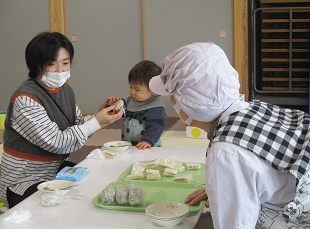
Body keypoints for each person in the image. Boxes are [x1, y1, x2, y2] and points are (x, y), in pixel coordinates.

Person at [149, 42, 310, 228]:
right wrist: (225, 189)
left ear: (187, 102)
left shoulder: (226, 153)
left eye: (173, 94)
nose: (172, 101)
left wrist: (226, 183)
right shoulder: (254, 109)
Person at [0, 31, 123, 208]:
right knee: (65, 206)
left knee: (97, 180)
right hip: (23, 181)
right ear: (36, 65)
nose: (60, 71)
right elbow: (58, 143)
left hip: (54, 172)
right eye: (51, 64)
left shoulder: (65, 90)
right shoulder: (25, 99)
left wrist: (99, 116)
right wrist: (97, 122)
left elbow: (76, 125)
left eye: (65, 63)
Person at [107, 60, 167, 150]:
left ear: (153, 90)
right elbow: (121, 112)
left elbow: (157, 127)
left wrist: (147, 141)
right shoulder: (131, 101)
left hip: (148, 147)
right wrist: (114, 106)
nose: (132, 92)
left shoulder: (155, 107)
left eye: (137, 89)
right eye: (130, 87)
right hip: (130, 146)